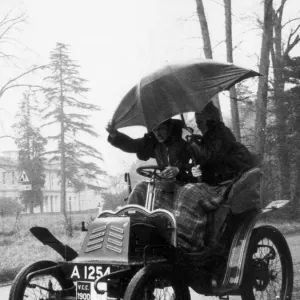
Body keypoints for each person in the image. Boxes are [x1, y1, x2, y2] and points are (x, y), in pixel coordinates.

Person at [173, 102, 256, 253]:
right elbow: (209, 162)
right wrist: (196, 172)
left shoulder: (221, 133)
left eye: (200, 119)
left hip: (225, 186)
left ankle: (189, 244)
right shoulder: (208, 137)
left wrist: (190, 140)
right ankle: (184, 237)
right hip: (214, 185)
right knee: (182, 190)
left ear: (211, 118)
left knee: (189, 191)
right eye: (196, 119)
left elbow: (208, 157)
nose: (197, 123)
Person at [106, 118, 192, 209]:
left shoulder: (185, 141)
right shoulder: (153, 142)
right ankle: (134, 218)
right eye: (154, 130)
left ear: (169, 127)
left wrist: (178, 169)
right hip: (164, 185)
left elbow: (196, 164)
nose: (158, 134)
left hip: (184, 185)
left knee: (158, 192)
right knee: (139, 188)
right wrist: (115, 135)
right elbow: (133, 145)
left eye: (161, 129)